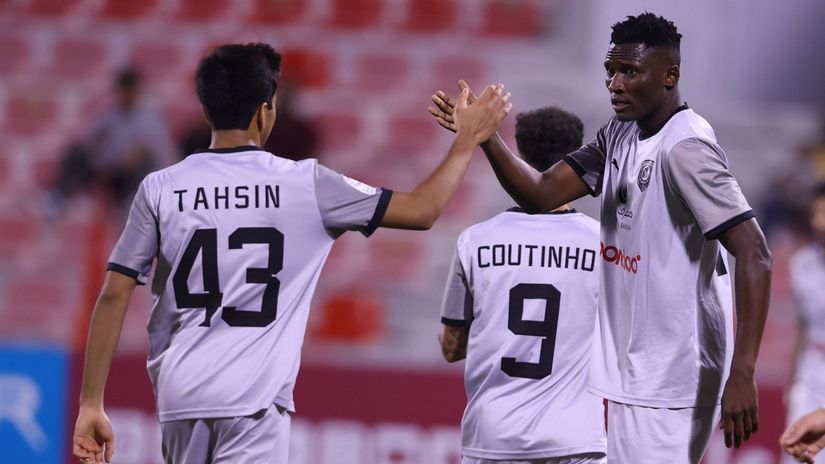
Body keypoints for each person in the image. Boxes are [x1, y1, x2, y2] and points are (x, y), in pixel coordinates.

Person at [72, 43, 512, 464]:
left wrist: (92, 403)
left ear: (206, 109)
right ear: (267, 111)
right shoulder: (306, 184)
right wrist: (466, 140)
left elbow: (113, 294)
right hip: (253, 399)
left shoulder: (160, 187)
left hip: (179, 396)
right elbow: (422, 210)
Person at [428, 12, 772, 463]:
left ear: (670, 75)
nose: (614, 83)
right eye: (610, 70)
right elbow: (542, 193)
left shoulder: (685, 149)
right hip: (637, 373)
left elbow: (755, 253)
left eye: (630, 71)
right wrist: (485, 137)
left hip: (673, 378)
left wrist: (743, 372)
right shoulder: (621, 134)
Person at [439, 107, 605, 464]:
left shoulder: (475, 241)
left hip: (493, 439)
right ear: (578, 156)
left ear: (519, 154)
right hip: (574, 439)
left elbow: (452, 347)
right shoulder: (602, 245)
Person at [46, 67, 173, 219]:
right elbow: (87, 140)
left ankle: (130, 203)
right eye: (122, 91)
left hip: (135, 174)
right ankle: (60, 196)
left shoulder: (148, 118)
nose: (125, 95)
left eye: (128, 91)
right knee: (76, 153)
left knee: (141, 165)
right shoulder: (109, 115)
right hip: (112, 167)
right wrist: (97, 154)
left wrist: (120, 162)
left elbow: (143, 153)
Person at [785, 182, 825, 463]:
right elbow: (801, 325)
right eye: (815, 212)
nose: (817, 220)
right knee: (798, 454)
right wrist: (793, 380)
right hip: (810, 370)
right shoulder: (800, 263)